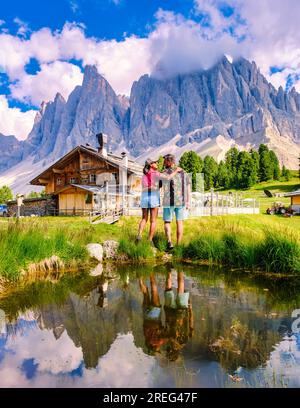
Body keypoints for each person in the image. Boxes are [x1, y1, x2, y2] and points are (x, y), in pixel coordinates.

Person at [136, 158, 182, 243]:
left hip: (144, 198)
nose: (157, 163)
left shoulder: (144, 175)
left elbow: (144, 187)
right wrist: (176, 171)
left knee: (144, 218)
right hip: (153, 198)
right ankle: (149, 240)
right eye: (155, 162)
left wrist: (153, 187)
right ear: (151, 165)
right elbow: (168, 178)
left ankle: (139, 235)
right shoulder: (156, 173)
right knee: (153, 221)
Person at [161, 154, 191, 250]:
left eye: (165, 161)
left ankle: (169, 242)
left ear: (169, 162)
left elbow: (159, 185)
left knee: (167, 222)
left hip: (168, 201)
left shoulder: (164, 172)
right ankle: (178, 244)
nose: (163, 163)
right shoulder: (183, 172)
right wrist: (188, 201)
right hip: (180, 201)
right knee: (180, 222)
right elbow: (188, 187)